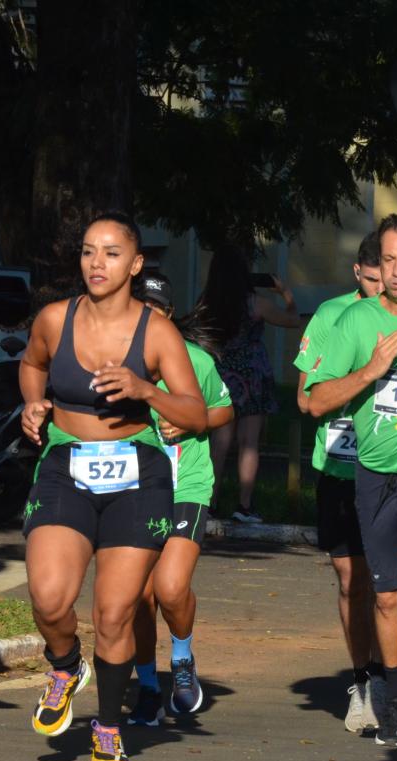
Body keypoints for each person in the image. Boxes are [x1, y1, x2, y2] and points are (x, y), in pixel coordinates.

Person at [19, 213, 206, 761]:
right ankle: (65, 665)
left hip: (137, 476)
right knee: (49, 598)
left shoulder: (157, 332)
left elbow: (195, 413)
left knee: (115, 611)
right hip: (67, 466)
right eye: (88, 252)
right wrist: (33, 403)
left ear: (135, 264)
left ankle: (107, 726)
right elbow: (32, 364)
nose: (97, 263)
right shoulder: (55, 319)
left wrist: (146, 389)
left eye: (111, 253)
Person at [307, 212, 397, 749]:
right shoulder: (356, 322)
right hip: (373, 475)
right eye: (388, 260)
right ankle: (393, 691)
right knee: (384, 598)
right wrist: (370, 371)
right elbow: (312, 400)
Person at [127, 271, 233, 725]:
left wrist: (193, 420)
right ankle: (148, 685)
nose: (149, 317)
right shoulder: (115, 359)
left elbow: (224, 409)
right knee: (138, 596)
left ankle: (183, 659)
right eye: (142, 308)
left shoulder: (194, 361)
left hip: (186, 485)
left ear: (169, 316)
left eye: (157, 310)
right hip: (133, 488)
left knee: (170, 588)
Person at [293, 232, 382, 733]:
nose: (380, 289)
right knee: (352, 580)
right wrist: (362, 378)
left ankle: (393, 678)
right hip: (339, 466)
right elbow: (305, 399)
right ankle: (362, 679)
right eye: (371, 279)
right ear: (357, 273)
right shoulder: (332, 315)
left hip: (395, 468)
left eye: (388, 278)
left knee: (394, 585)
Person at [197, 246, 303, 523]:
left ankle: (209, 503)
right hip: (252, 377)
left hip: (220, 375)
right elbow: (293, 320)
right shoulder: (255, 303)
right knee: (249, 443)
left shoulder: (206, 303)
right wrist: (286, 293)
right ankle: (244, 506)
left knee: (219, 443)